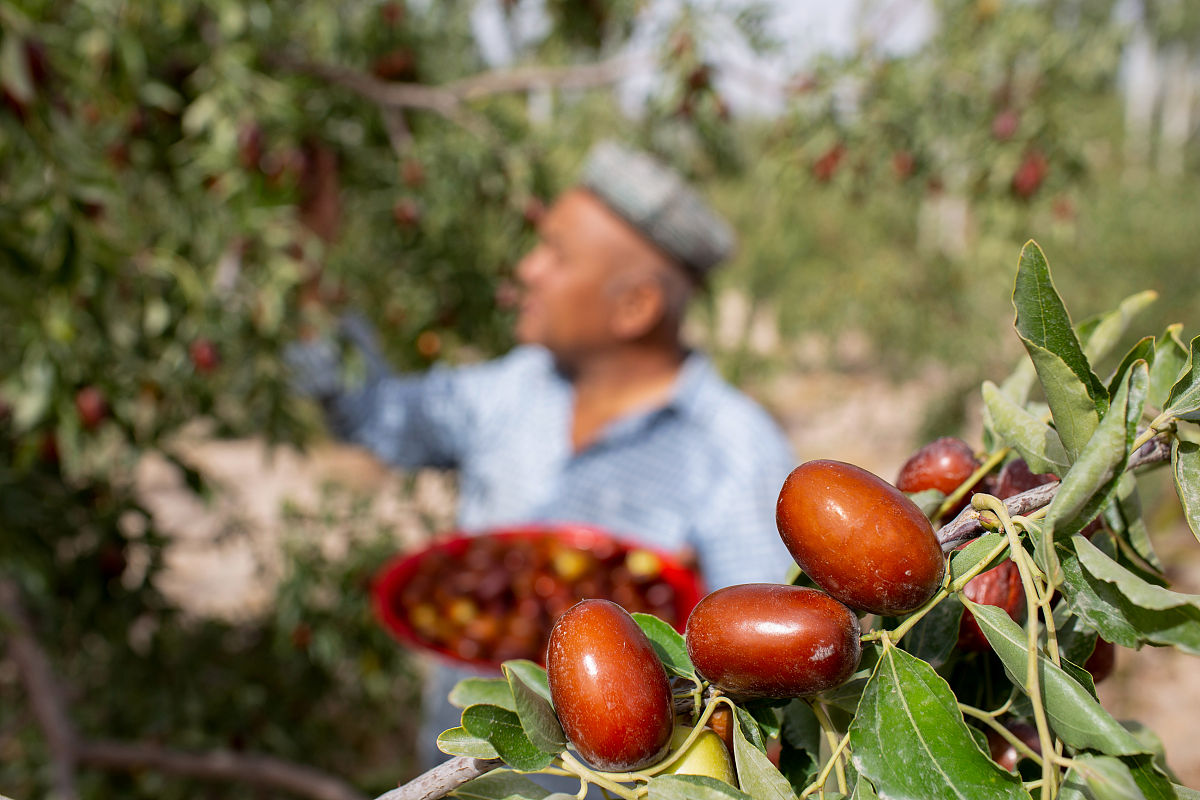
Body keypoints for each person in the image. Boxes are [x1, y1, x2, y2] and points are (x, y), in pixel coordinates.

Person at [287, 140, 797, 770]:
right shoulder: (514, 389)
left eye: (556, 254)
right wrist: (307, 261)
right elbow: (373, 413)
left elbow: (770, 695)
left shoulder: (734, 454)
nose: (528, 269)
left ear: (635, 305)